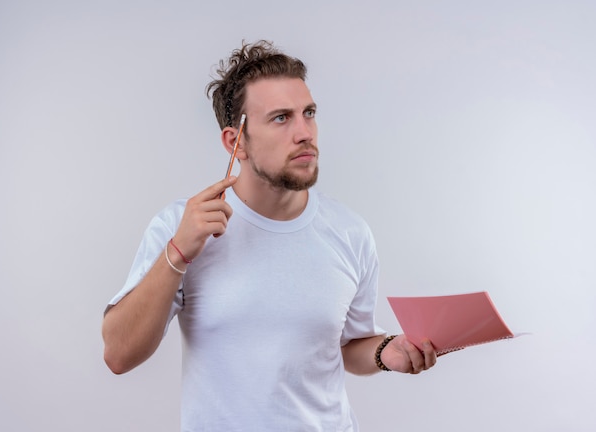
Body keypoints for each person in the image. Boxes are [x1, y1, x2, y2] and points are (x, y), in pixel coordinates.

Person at [102, 40, 437, 431]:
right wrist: (178, 253)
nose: (304, 133)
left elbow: (348, 346)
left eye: (308, 113)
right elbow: (119, 355)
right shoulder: (182, 226)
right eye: (281, 118)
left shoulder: (350, 232)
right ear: (235, 142)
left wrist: (386, 352)